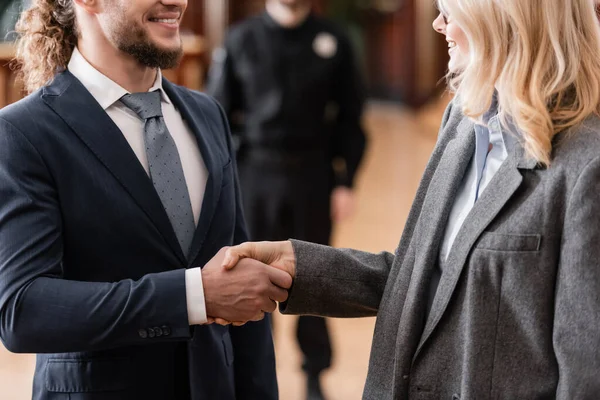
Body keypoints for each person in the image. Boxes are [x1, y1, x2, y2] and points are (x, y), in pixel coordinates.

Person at [221, 0, 600, 398]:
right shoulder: (464, 122)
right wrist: (301, 267)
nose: (438, 25)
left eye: (450, 13)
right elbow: (423, 278)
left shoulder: (586, 167)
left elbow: (585, 378)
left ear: (503, 18)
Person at [0, 0, 291, 399]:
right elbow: (23, 310)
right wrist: (194, 296)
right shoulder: (22, 133)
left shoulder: (208, 115)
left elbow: (242, 275)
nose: (177, 1)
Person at [206, 0, 367, 399]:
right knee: (252, 278)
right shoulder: (241, 39)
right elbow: (218, 118)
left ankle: (314, 373)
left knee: (313, 276)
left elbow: (351, 117)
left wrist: (346, 181)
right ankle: (256, 374)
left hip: (313, 175)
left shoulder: (334, 39)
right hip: (254, 175)